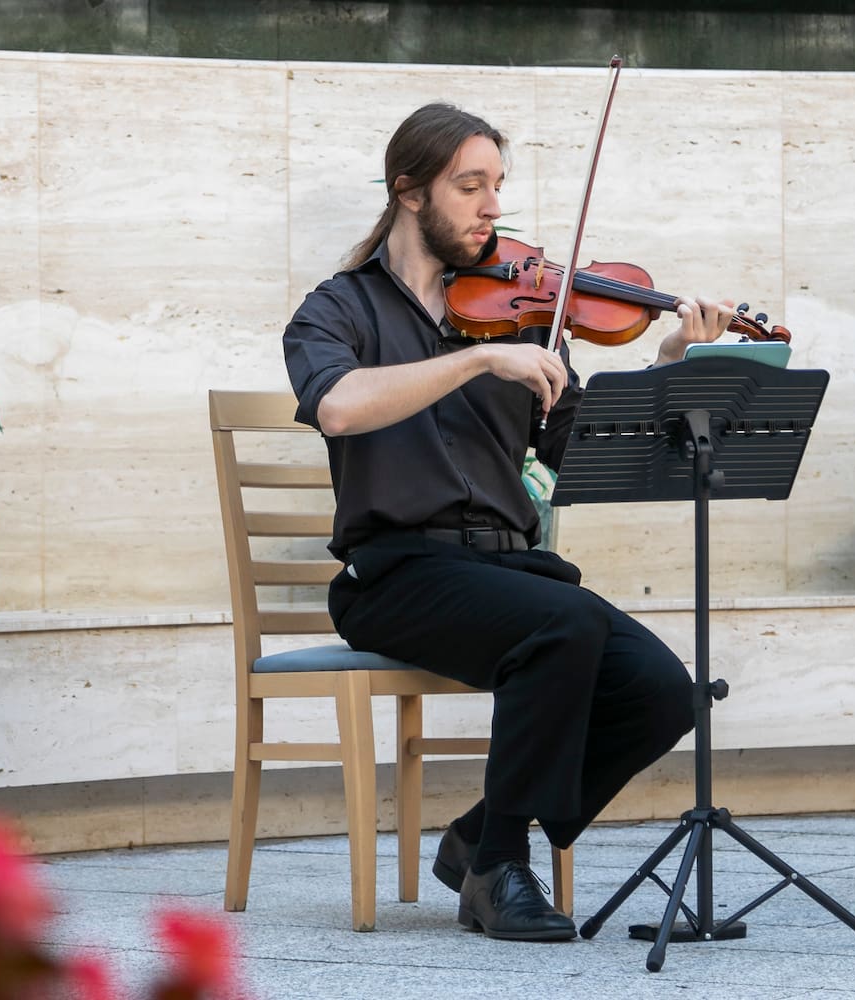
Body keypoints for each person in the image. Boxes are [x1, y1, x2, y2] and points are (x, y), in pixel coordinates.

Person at [281, 103, 740, 941]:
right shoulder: (338, 308)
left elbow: (583, 457)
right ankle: (497, 869)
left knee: (663, 691)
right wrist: (479, 359)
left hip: (506, 572)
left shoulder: (522, 311)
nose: (493, 207)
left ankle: (478, 836)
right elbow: (339, 407)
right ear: (408, 192)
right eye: (470, 186)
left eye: (498, 185)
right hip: (396, 575)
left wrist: (666, 366)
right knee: (560, 626)